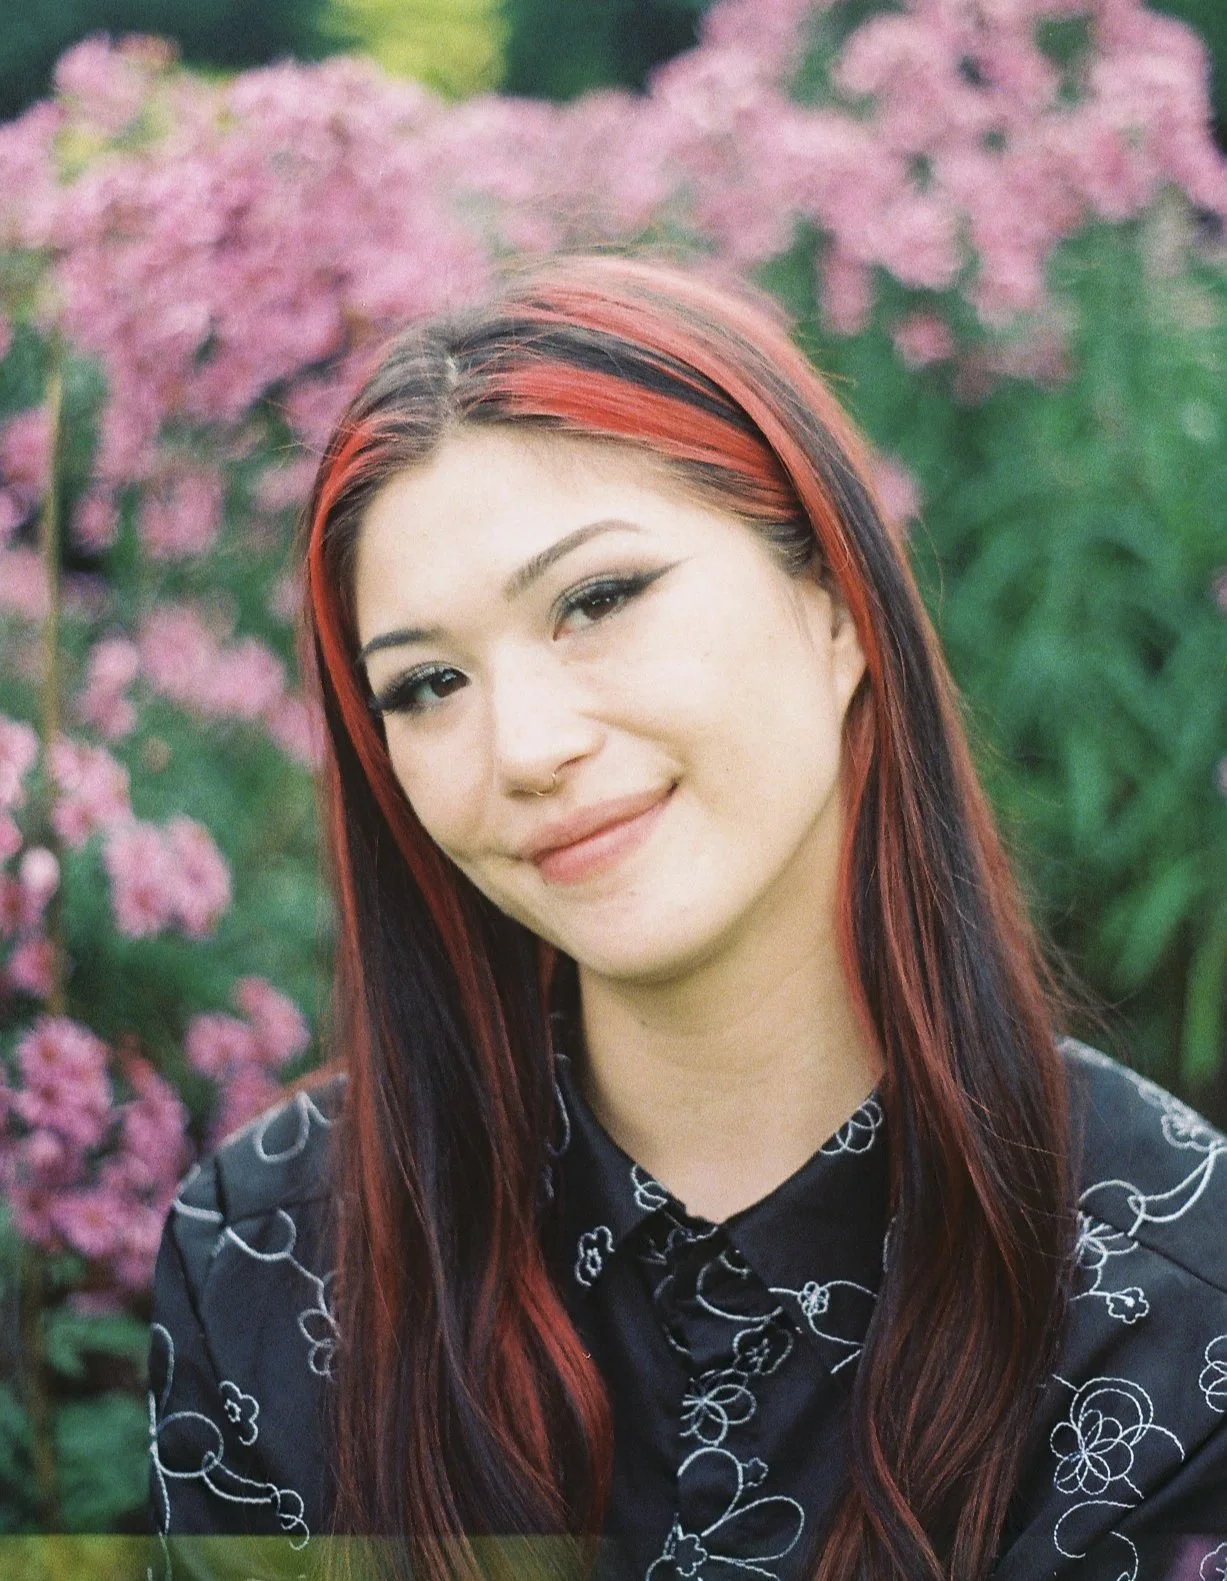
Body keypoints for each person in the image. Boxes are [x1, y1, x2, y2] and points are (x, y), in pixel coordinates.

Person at [148, 257, 1227, 1581]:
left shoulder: (1168, 1300)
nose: (527, 747)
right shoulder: (269, 1254)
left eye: (596, 602)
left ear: (834, 601)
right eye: (427, 683)